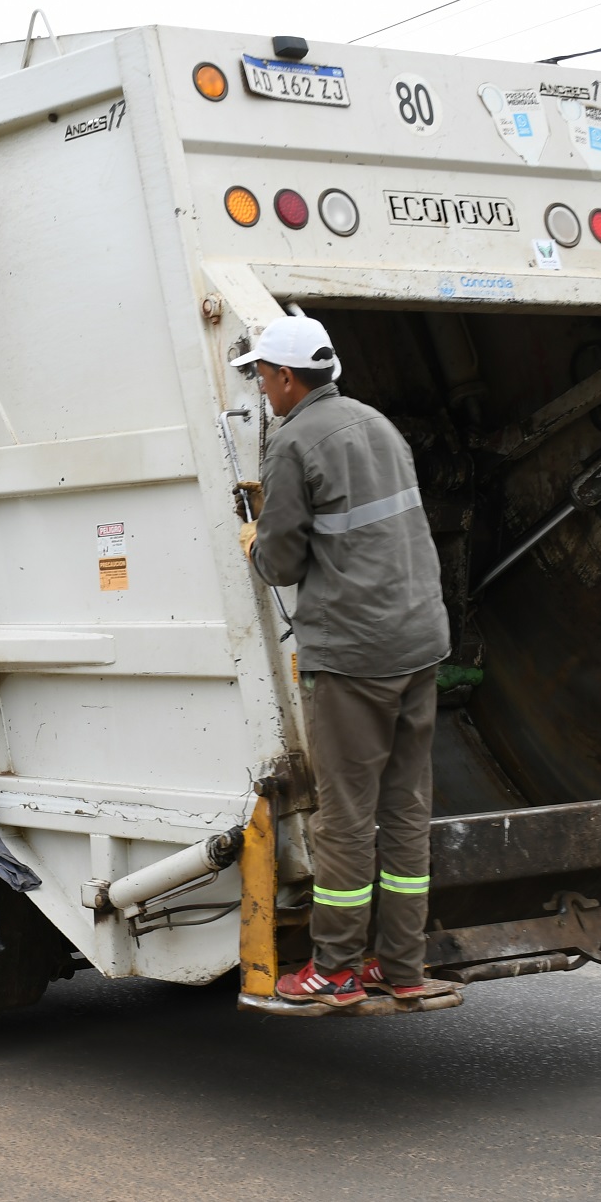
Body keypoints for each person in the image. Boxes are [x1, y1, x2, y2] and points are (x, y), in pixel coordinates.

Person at [232, 314, 452, 1009]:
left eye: (263, 374)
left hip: (356, 655)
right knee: (407, 809)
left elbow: (282, 560)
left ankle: (335, 969)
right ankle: (406, 965)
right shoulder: (378, 424)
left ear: (289, 378)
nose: (261, 386)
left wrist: (254, 542)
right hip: (420, 641)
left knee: (348, 817)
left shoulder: (294, 440)